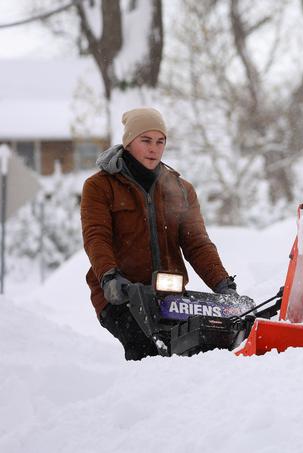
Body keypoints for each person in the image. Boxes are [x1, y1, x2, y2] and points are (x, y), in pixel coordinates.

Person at [81, 107, 237, 361]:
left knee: (197, 349)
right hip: (121, 296)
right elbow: (96, 237)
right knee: (145, 352)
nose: (154, 148)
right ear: (129, 142)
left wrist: (222, 284)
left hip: (170, 297)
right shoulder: (100, 186)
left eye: (160, 141)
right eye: (146, 140)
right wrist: (110, 277)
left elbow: (197, 243)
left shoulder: (180, 189)